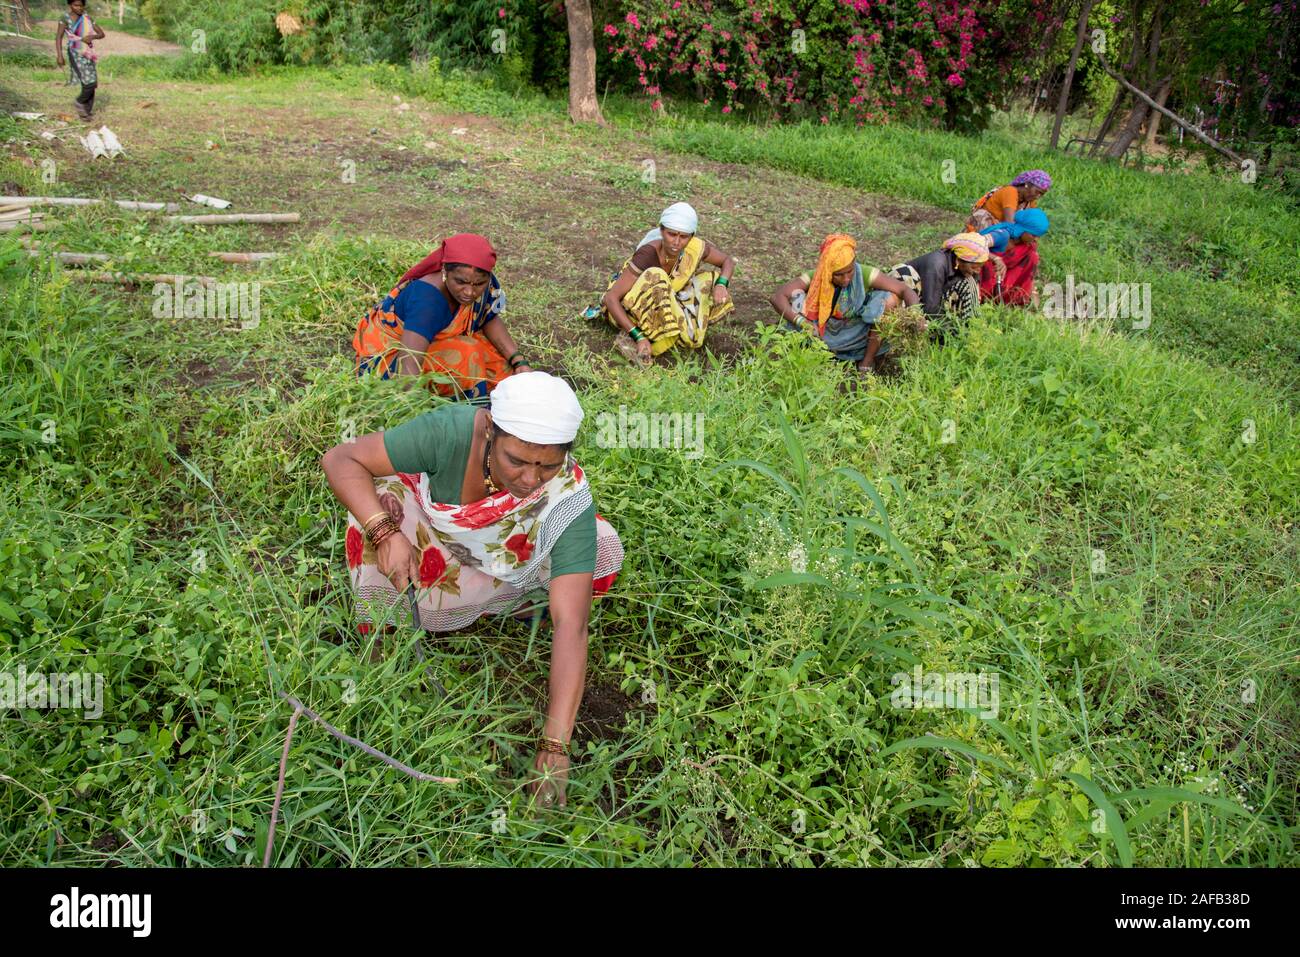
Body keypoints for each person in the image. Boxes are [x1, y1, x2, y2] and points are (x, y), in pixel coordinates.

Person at [321, 371, 624, 807]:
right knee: (378, 502)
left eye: (547, 465)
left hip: (506, 564)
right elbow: (342, 459)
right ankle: (386, 641)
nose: (529, 479)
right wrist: (386, 533)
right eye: (516, 460)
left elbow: (572, 625)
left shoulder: (567, 492)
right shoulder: (450, 432)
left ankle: (504, 606)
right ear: (490, 431)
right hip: (433, 545)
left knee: (603, 548)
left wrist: (555, 746)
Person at [353, 233, 531, 400]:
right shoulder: (428, 301)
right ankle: (469, 409)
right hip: (391, 361)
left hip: (433, 345)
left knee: (505, 374)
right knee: (468, 353)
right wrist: (409, 409)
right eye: (460, 282)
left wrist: (517, 360)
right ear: (445, 271)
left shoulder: (482, 282)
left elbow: (488, 317)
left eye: (479, 284)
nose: (470, 292)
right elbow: (409, 363)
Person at [588, 202, 736, 366]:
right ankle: (641, 338)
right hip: (630, 310)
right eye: (672, 234)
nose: (677, 242)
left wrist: (722, 284)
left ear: (691, 236)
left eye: (684, 237)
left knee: (710, 281)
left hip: (666, 300)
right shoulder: (648, 254)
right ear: (661, 230)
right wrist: (638, 336)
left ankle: (669, 333)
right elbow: (611, 298)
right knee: (656, 276)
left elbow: (727, 261)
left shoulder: (694, 248)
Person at [769, 233, 921, 374]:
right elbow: (778, 297)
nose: (846, 279)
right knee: (797, 298)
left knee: (888, 299)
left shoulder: (865, 273)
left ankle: (867, 361)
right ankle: (814, 352)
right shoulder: (816, 277)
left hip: (857, 330)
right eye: (839, 275)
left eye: (849, 272)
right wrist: (802, 322)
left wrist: (915, 315)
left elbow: (903, 290)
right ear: (828, 270)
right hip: (822, 330)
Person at [876, 232, 990, 343]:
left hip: (927, 298)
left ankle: (963, 332)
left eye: (980, 267)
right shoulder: (936, 264)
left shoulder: (961, 267)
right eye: (974, 267)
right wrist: (953, 331)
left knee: (969, 283)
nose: (977, 271)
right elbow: (931, 308)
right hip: (911, 298)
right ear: (959, 260)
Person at [977, 208, 1049, 306]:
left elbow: (1028, 272)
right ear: (1023, 229)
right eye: (1033, 235)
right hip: (982, 276)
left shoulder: (1027, 246)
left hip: (1001, 279)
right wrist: (995, 258)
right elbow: (975, 245)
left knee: (1033, 257)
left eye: (1038, 236)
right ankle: (980, 297)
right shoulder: (1002, 235)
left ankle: (1013, 299)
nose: (1036, 239)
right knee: (985, 262)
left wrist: (1033, 293)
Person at [55, 0, 105, 121]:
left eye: (81, 5)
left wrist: (92, 36)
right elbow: (58, 37)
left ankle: (86, 113)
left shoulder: (86, 17)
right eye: (76, 5)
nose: (79, 8)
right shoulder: (65, 18)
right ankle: (79, 102)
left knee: (93, 83)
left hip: (87, 52)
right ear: (70, 5)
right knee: (88, 83)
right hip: (75, 52)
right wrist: (59, 55)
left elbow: (101, 33)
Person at [966, 170, 1052, 231]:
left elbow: (1032, 224)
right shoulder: (1010, 192)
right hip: (982, 229)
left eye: (1041, 194)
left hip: (998, 231)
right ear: (1027, 184)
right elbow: (1009, 223)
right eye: (1037, 192)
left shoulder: (1029, 201)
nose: (1037, 196)